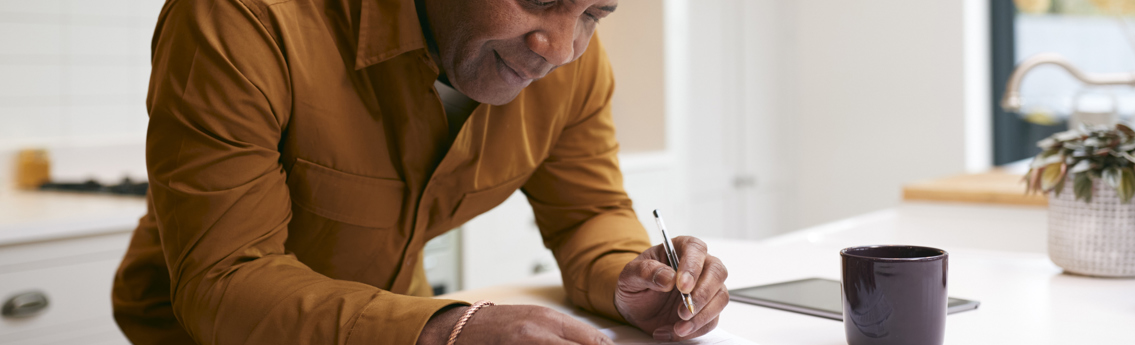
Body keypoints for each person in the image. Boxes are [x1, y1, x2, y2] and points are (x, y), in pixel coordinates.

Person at [110, 0, 730, 344]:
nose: (561, 49)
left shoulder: (575, 70)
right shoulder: (243, 19)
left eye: (594, 13)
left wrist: (631, 282)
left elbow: (588, 214)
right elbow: (225, 279)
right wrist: (440, 333)